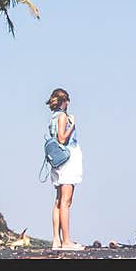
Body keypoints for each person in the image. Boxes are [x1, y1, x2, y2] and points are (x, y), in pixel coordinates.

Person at [46, 87, 84, 251]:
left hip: (57, 161)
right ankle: (66, 241)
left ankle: (57, 239)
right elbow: (62, 138)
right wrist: (72, 125)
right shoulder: (62, 117)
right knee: (66, 202)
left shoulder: (53, 117)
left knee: (58, 201)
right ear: (65, 101)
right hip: (67, 160)